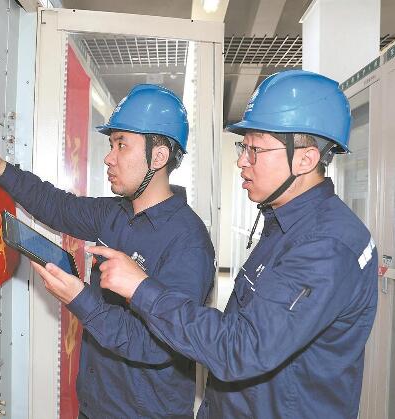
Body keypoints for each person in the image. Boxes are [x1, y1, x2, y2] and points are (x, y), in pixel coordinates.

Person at [39, 70, 378, 418]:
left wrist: (140, 288)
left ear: (305, 158)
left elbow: (241, 349)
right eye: (243, 147)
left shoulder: (326, 245)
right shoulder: (287, 225)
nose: (241, 160)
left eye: (255, 148)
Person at [0, 84, 216, 419]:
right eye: (111, 144)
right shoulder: (115, 213)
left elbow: (157, 345)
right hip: (96, 405)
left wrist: (79, 296)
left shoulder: (188, 242)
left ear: (158, 157)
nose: (108, 157)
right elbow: (57, 206)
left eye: (121, 145)